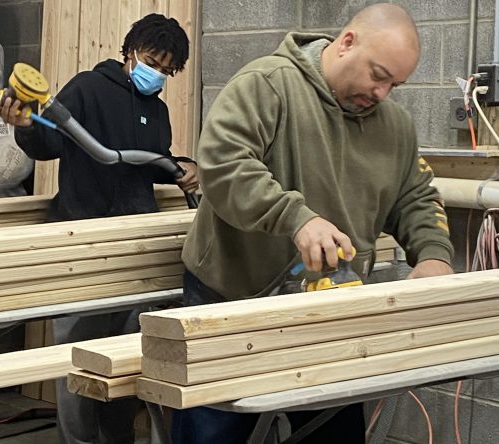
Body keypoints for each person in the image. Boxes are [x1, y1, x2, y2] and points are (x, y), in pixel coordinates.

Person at [174, 3, 454, 444]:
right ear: (346, 43)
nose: (382, 92)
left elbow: (417, 197)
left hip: (331, 310)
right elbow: (224, 165)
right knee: (216, 432)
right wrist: (296, 218)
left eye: (394, 84)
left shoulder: (395, 126)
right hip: (234, 297)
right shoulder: (266, 85)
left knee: (330, 432)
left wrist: (434, 256)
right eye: (377, 75)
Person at [0, 13, 197, 444]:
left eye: (166, 70)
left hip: (136, 246)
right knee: (78, 359)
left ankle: (119, 437)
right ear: (129, 52)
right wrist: (26, 125)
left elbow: (152, 160)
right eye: (151, 61)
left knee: (126, 360)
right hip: (83, 241)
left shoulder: (157, 109)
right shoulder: (87, 87)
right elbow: (50, 142)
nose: (156, 74)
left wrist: (181, 168)